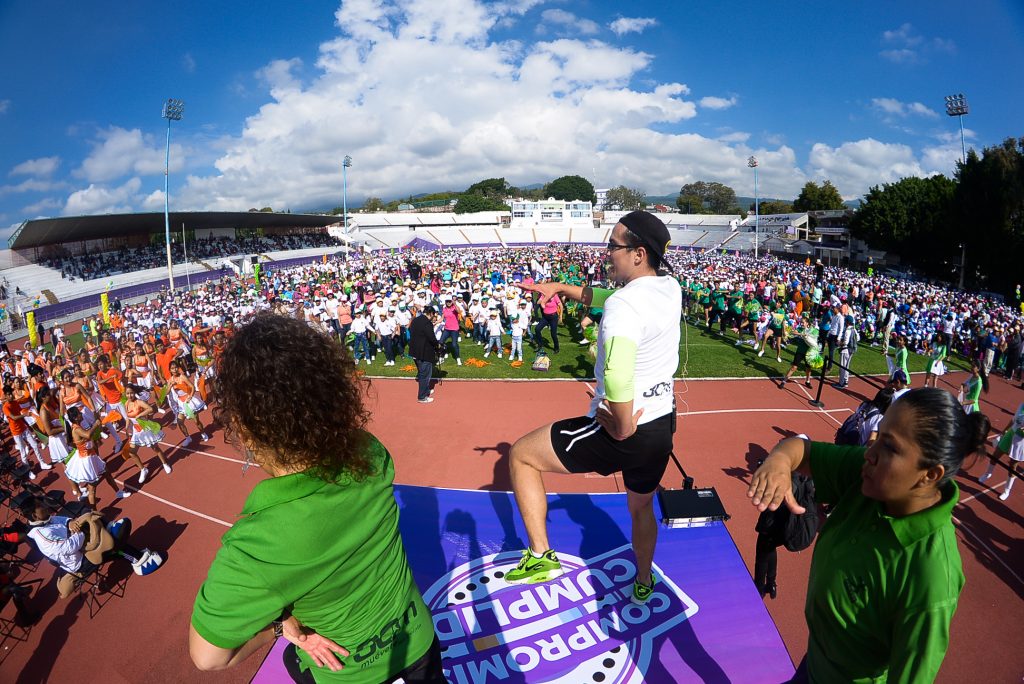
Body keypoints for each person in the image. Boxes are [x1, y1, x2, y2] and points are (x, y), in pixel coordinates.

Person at [189, 313, 442, 683]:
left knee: (293, 660)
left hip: (348, 673)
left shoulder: (255, 547)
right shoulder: (369, 453)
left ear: (244, 426)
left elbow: (208, 658)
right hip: (417, 637)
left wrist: (280, 627)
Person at [748, 388, 988, 682]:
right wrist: (779, 462)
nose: (870, 453)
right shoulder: (869, 474)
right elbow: (801, 449)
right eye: (879, 434)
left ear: (930, 475)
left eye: (890, 447)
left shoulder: (931, 576)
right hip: (815, 663)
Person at [506, 211, 680, 605]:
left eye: (613, 246)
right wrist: (560, 287)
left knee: (521, 455)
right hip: (661, 426)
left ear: (638, 254)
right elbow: (605, 298)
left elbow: (617, 375)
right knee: (641, 508)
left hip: (625, 426)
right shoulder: (669, 288)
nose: (606, 253)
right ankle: (644, 579)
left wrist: (621, 426)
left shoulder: (625, 307)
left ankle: (540, 556)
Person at [9, 496, 162, 598]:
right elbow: (68, 547)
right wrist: (83, 530)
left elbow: (62, 520)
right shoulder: (42, 535)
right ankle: (137, 560)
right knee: (114, 543)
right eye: (40, 505)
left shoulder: (46, 519)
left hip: (81, 546)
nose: (45, 506)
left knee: (92, 517)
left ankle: (119, 541)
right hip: (81, 562)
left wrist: (71, 522)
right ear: (34, 516)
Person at [978, 400, 1024, 500]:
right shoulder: (1022, 405)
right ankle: (987, 474)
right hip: (1010, 434)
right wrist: (1003, 432)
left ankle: (1007, 490)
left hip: (1020, 442)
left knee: (1012, 466)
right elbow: (1013, 420)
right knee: (995, 455)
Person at [409, 305, 440, 403]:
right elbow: (432, 338)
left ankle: (426, 390)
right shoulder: (427, 323)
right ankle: (422, 397)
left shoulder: (415, 320)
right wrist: (437, 345)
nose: (433, 317)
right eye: (433, 315)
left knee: (421, 373)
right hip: (424, 352)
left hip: (414, 351)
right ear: (430, 313)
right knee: (425, 375)